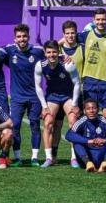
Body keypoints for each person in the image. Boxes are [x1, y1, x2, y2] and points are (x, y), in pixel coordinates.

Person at [34, 40, 81, 168]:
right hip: (52, 97)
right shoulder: (40, 65)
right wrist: (44, 107)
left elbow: (77, 83)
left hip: (67, 96)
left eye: (54, 52)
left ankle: (74, 157)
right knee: (48, 122)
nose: (51, 55)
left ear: (58, 52)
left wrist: (75, 104)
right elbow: (38, 87)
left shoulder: (67, 64)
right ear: (45, 53)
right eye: (48, 52)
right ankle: (49, 158)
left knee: (73, 121)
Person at [3, 23, 45, 167]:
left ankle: (34, 158)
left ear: (29, 37)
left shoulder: (38, 51)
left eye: (24, 36)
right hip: (17, 97)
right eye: (19, 37)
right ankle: (18, 158)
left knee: (35, 125)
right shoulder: (9, 50)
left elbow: (54, 54)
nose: (22, 39)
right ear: (15, 38)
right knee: (15, 126)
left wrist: (65, 56)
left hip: (35, 97)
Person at [79, 8, 106, 120]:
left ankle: (105, 138)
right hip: (89, 81)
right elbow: (68, 40)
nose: (100, 22)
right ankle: (91, 138)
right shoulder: (85, 35)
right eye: (98, 19)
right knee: (90, 116)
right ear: (93, 20)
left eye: (103, 19)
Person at [66, 99, 106, 173]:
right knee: (77, 142)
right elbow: (69, 135)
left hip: (102, 154)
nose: (91, 111)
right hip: (87, 156)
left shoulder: (105, 121)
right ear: (84, 111)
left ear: (98, 109)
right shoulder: (81, 121)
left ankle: (105, 163)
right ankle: (88, 164)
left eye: (94, 108)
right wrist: (88, 141)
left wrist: (105, 140)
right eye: (88, 109)